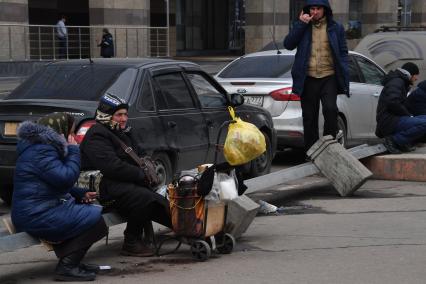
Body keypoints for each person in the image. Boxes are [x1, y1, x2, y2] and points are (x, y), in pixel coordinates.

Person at [11, 112, 107, 282]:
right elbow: (65, 177)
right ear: (60, 132)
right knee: (96, 221)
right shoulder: (42, 151)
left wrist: (79, 193)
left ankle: (71, 262)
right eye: (70, 132)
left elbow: (52, 182)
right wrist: (74, 150)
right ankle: (67, 266)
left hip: (38, 210)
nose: (72, 136)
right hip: (36, 215)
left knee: (90, 215)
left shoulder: (40, 148)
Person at [80, 94, 172, 257]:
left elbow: (140, 154)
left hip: (119, 182)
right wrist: (141, 175)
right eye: (119, 115)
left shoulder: (121, 132)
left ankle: (189, 228)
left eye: (125, 114)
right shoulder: (97, 135)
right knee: (143, 198)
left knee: (159, 199)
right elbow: (112, 167)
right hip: (100, 187)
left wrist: (147, 170)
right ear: (106, 116)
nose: (124, 118)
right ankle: (131, 241)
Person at [283, 0, 349, 155]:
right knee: (309, 116)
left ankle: (329, 147)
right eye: (312, 8)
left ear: (325, 10)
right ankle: (312, 152)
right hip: (309, 77)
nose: (315, 12)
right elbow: (288, 44)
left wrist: (344, 69)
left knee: (330, 110)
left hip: (329, 76)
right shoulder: (303, 27)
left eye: (318, 8)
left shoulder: (336, 28)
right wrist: (300, 24)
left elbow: (343, 52)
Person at [375, 62, 426, 153]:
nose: (416, 78)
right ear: (409, 74)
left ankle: (402, 143)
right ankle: (394, 141)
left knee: (423, 119)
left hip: (393, 119)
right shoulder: (397, 82)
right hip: (389, 121)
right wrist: (408, 115)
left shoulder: (400, 82)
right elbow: (392, 102)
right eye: (415, 75)